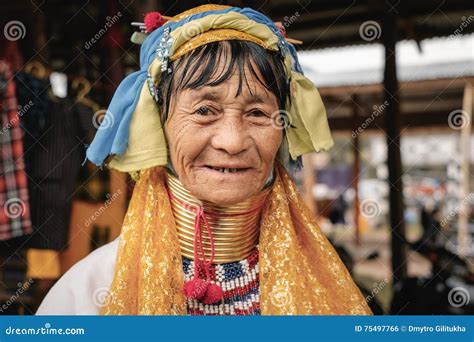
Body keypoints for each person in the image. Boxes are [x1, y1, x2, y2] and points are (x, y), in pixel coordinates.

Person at [37, 4, 371, 315]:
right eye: (204, 110)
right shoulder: (87, 296)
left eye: (257, 113)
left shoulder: (325, 284)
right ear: (157, 124)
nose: (232, 141)